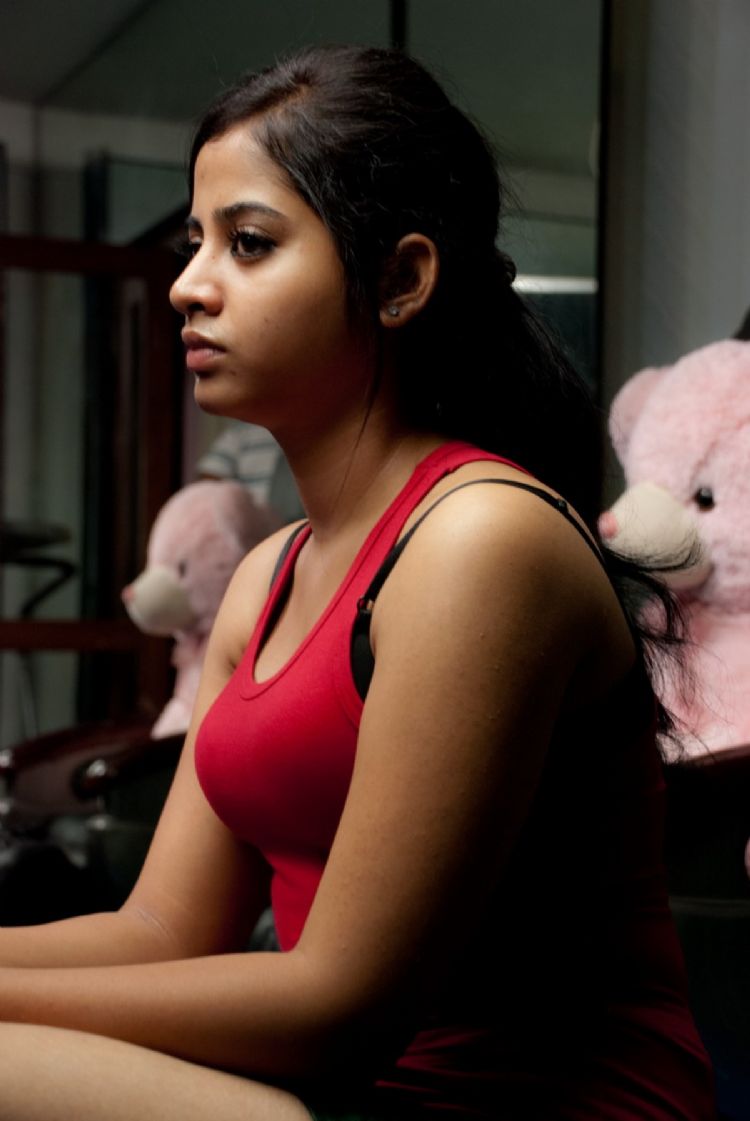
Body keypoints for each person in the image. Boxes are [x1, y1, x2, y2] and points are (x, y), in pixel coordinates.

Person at [0, 45, 716, 1121]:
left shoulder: (481, 542)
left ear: (399, 281)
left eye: (248, 243)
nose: (188, 284)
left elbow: (341, 1003)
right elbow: (159, 931)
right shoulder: (265, 578)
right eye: (196, 243)